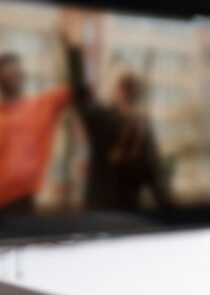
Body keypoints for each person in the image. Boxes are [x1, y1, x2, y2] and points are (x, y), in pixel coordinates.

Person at [63, 21, 172, 212]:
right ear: (138, 96)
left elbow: (80, 94)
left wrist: (73, 50)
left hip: (98, 215)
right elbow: (157, 183)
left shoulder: (104, 120)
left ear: (119, 92)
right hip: (129, 218)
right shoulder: (144, 131)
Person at [0, 51, 71, 214]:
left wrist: (71, 48)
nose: (13, 77)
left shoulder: (40, 106)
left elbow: (77, 90)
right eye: (8, 73)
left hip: (22, 202)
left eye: (16, 73)